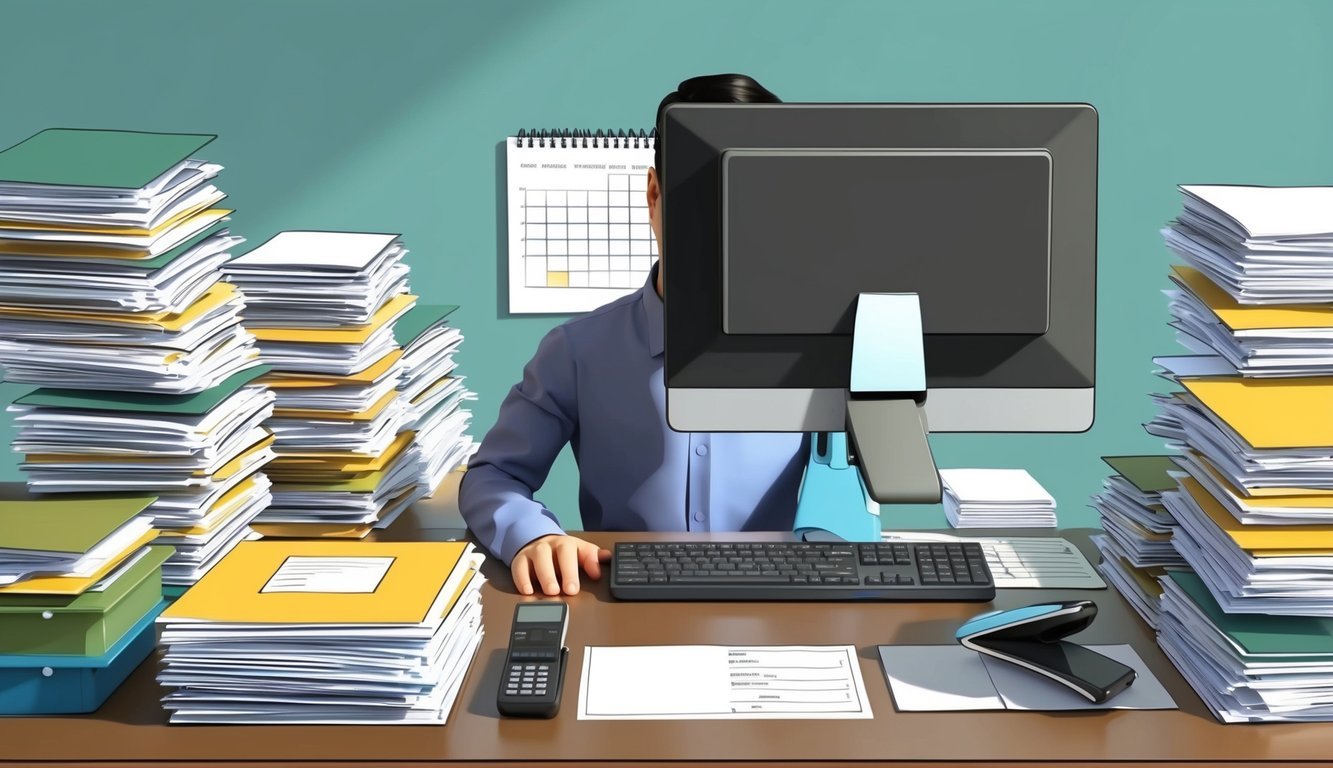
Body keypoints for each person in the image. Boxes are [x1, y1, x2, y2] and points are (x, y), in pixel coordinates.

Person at [460, 74, 806, 597]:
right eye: (701, 197)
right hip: (622, 608)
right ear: (654, 196)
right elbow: (492, 476)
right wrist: (534, 536)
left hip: (782, 610)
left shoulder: (821, 353)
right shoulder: (578, 351)